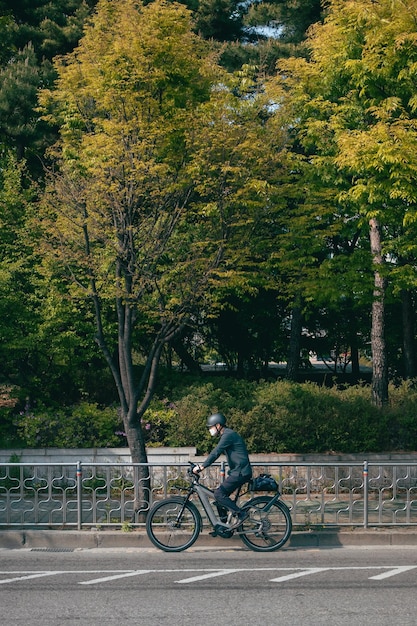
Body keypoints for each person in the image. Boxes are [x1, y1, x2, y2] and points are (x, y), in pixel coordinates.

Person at [193, 412, 252, 527]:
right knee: (219, 497)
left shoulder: (228, 435)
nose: (210, 429)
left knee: (219, 495)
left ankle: (241, 514)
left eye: (211, 427)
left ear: (218, 425)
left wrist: (202, 466)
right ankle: (223, 526)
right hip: (238, 472)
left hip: (241, 473)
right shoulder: (227, 435)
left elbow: (216, 452)